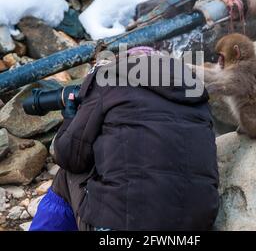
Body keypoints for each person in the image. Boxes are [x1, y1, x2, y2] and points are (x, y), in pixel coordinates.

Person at [30, 47, 219, 231]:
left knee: (69, 173)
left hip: (119, 226)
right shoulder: (197, 98)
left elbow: (69, 156)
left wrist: (70, 119)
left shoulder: (109, 81)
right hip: (196, 226)